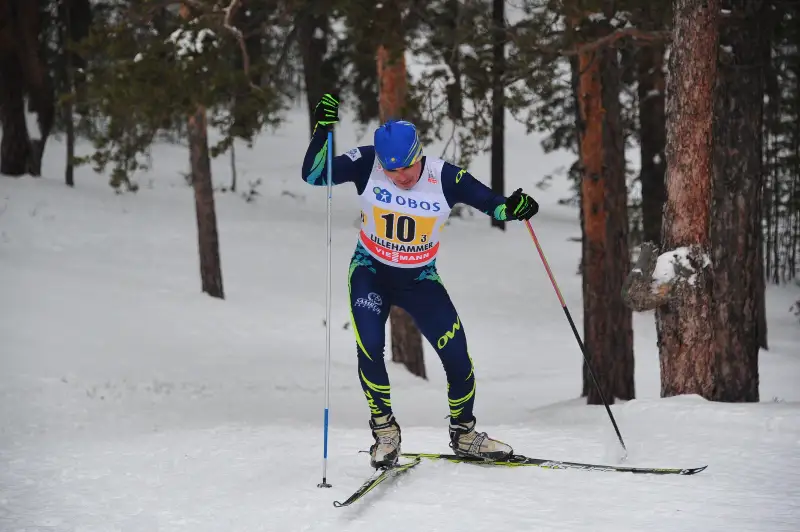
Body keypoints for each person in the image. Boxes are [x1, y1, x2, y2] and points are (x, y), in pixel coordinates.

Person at [301, 93, 539, 469]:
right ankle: (385, 433)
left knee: (457, 356)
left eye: (408, 167)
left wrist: (515, 207)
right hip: (370, 272)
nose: (401, 177)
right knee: (370, 349)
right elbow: (315, 175)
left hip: (419, 279)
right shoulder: (366, 163)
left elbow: (493, 204)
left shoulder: (445, 177)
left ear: (419, 154)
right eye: (392, 171)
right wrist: (322, 130)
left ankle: (464, 434)